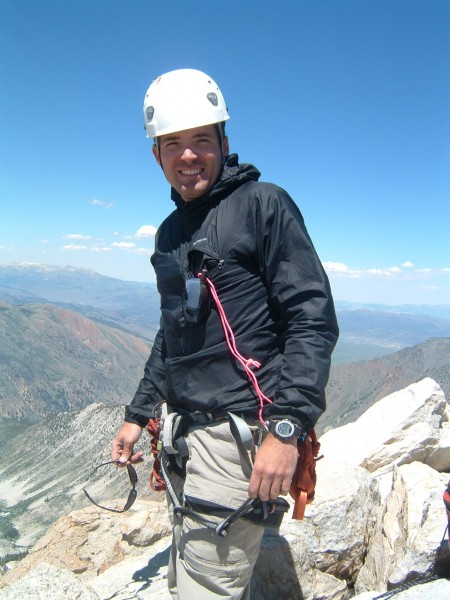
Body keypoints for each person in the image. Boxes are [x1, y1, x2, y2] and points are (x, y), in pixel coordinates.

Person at [112, 68, 339, 599]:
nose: (187, 156)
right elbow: (174, 331)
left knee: (204, 589)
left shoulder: (263, 204)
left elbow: (311, 316)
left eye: (200, 141)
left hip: (241, 435)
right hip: (185, 435)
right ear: (156, 155)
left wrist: (286, 430)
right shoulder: (171, 233)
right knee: (189, 567)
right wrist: (139, 411)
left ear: (223, 144)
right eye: (173, 144)